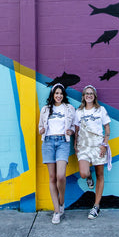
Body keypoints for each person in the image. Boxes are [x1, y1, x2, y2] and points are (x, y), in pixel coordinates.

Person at [39, 83, 75, 224]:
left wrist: (71, 131)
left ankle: (61, 201)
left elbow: (72, 126)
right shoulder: (46, 109)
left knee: (61, 176)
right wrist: (41, 130)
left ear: (63, 95)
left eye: (61, 93)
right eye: (56, 93)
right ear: (52, 95)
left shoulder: (69, 108)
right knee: (52, 177)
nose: (58, 96)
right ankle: (57, 211)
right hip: (48, 142)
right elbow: (40, 126)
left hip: (62, 142)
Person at [74, 85, 111, 219]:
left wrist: (104, 145)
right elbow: (77, 130)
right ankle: (89, 177)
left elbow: (107, 129)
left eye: (91, 93)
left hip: (98, 146)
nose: (89, 95)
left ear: (94, 96)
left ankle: (96, 206)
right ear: (83, 96)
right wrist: (75, 145)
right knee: (83, 173)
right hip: (84, 146)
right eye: (86, 93)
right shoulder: (79, 112)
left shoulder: (100, 110)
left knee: (100, 175)